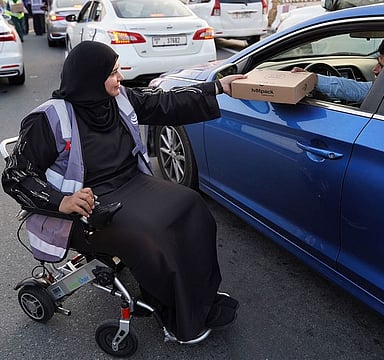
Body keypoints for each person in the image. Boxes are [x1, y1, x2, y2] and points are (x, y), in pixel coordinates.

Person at [1, 41, 245, 343]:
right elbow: (15, 175)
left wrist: (219, 87)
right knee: (150, 235)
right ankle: (173, 313)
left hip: (132, 182)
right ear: (90, 77)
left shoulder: (119, 100)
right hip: (87, 204)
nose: (121, 78)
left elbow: (165, 103)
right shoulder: (49, 119)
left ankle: (201, 298)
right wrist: (62, 201)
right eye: (113, 72)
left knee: (191, 205)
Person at [293, 35, 384, 103]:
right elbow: (360, 90)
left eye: (382, 66)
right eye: (376, 63)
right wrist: (314, 79)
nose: (374, 70)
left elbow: (360, 91)